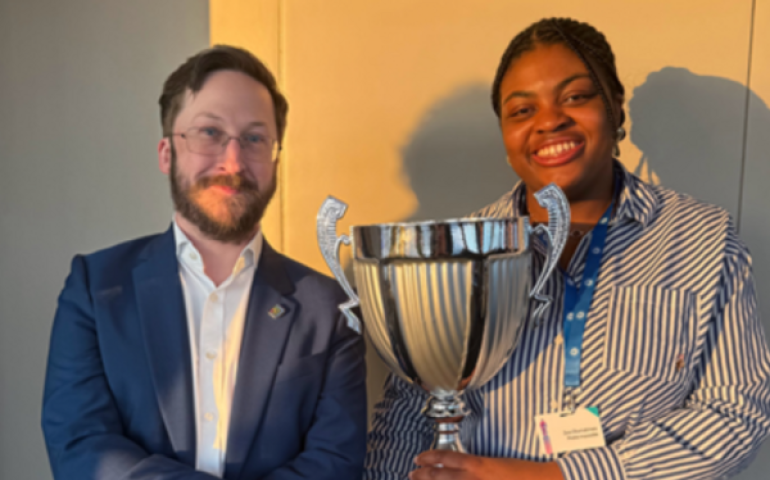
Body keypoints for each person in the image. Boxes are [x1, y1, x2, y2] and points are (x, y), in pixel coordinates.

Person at [364, 17, 770, 480]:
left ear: (616, 108)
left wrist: (550, 476)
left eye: (576, 97)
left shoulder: (702, 239)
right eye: (521, 111)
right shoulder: (458, 250)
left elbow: (736, 414)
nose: (549, 120)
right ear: (505, 135)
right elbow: (408, 416)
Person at [41, 45, 367, 479]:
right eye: (209, 133)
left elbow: (335, 463)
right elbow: (80, 444)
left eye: (254, 138)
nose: (232, 162)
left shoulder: (331, 311)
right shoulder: (96, 289)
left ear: (275, 160)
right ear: (166, 153)